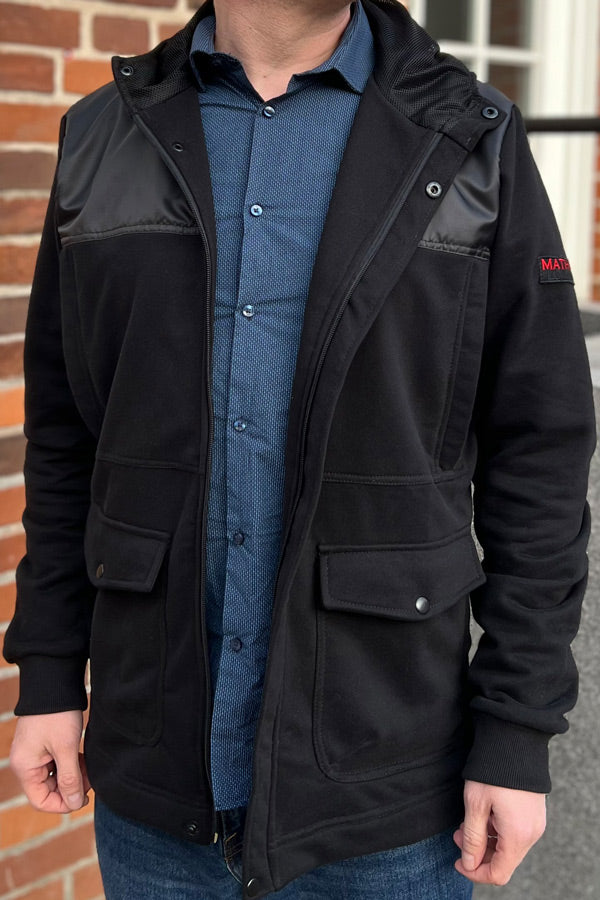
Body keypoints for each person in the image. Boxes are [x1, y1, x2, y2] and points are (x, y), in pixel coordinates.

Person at [4, 0, 595, 897]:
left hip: (388, 796)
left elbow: (539, 450)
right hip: (157, 786)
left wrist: (517, 729)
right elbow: (66, 439)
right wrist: (49, 673)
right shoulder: (102, 135)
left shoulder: (470, 134)